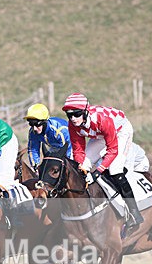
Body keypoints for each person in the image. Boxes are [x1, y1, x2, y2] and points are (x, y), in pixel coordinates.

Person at [62, 92, 144, 232]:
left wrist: (98, 171)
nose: (73, 118)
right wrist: (82, 167)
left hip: (120, 131)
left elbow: (112, 149)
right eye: (69, 115)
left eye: (76, 113)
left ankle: (134, 212)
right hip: (100, 135)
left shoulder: (102, 119)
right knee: (84, 165)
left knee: (115, 169)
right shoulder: (73, 125)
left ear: (85, 111)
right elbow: (78, 150)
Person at [25, 103, 71, 168]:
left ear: (45, 122)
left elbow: (67, 150)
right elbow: (33, 149)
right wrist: (35, 165)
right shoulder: (33, 132)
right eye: (31, 124)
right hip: (54, 147)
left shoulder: (59, 130)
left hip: (70, 145)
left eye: (37, 124)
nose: (34, 128)